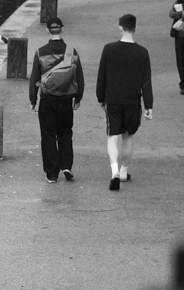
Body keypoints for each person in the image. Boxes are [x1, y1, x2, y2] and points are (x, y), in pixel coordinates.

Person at [95, 12, 153, 191]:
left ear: (120, 28)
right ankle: (123, 171)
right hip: (132, 101)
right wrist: (148, 105)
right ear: (135, 28)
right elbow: (146, 82)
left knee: (112, 136)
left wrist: (101, 97)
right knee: (128, 136)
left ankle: (113, 171)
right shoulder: (142, 53)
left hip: (113, 99)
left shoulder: (109, 49)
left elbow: (101, 77)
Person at [28, 15, 85, 182]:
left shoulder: (40, 52)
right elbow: (79, 77)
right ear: (62, 29)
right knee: (65, 133)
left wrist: (33, 100)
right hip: (66, 100)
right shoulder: (72, 52)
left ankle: (52, 173)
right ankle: (66, 166)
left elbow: (35, 79)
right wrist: (78, 98)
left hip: (47, 100)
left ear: (47, 30)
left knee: (48, 135)